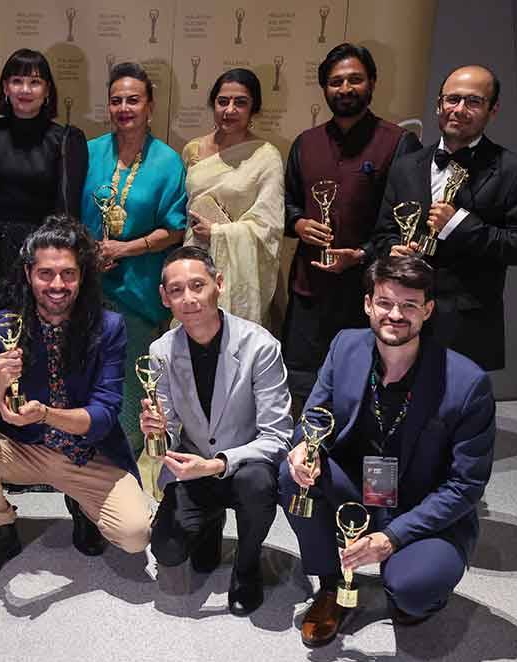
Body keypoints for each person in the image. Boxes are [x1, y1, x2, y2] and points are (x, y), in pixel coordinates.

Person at [279, 255, 494, 647]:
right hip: (357, 489)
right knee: (289, 474)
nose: (395, 314)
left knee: (412, 590)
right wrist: (302, 448)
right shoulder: (345, 345)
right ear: (368, 304)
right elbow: (315, 415)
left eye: (409, 305)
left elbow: (466, 486)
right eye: (384, 302)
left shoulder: (468, 383)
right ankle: (331, 587)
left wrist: (392, 537)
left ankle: (408, 588)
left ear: (427, 310)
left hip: (424, 507)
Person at [0, 216, 151, 582]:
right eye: (46, 273)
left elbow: (105, 415)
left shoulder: (108, 327)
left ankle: (80, 504)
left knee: (135, 536)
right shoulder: (2, 326)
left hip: (87, 452)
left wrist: (45, 414)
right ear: (29, 274)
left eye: (68, 274)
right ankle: (4, 530)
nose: (57, 285)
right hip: (26, 448)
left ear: (82, 276)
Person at [144, 247, 292, 615]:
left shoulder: (260, 346)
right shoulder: (161, 351)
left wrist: (216, 465)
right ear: (165, 298)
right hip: (192, 466)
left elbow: (278, 436)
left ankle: (246, 565)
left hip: (245, 466)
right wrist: (157, 432)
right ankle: (209, 525)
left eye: (198, 285)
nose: (189, 299)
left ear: (218, 285)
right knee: (167, 549)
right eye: (176, 290)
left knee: (258, 485)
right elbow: (171, 434)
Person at [372, 65, 517, 371]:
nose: (460, 109)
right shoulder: (405, 166)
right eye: (452, 99)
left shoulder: (515, 170)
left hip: (467, 324)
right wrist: (392, 249)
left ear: (493, 111)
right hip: (401, 315)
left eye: (474, 102)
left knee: (455, 414)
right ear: (439, 104)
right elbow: (384, 232)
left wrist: (460, 226)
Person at [282, 43, 421, 412]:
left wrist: (361, 254)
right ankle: (303, 455)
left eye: (354, 80)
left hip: (371, 292)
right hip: (309, 288)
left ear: (372, 82)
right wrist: (297, 222)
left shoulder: (399, 143)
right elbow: (286, 202)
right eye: (335, 82)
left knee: (364, 382)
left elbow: (404, 220)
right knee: (302, 381)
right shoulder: (306, 143)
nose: (345, 89)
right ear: (324, 88)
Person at [80, 61, 187, 459]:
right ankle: (81, 467)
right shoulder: (89, 153)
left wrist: (124, 249)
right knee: (84, 381)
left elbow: (174, 230)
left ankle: (120, 467)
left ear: (150, 106)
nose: (124, 108)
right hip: (85, 291)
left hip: (137, 293)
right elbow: (68, 212)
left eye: (133, 100)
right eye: (116, 100)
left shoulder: (167, 161)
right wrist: (89, 249)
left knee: (130, 388)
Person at [0, 48, 88, 339]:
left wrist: (51, 266)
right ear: (5, 87)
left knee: (35, 341)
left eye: (34, 82)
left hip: (38, 258)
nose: (25, 89)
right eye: (17, 81)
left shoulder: (65, 139)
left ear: (47, 91)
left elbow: (66, 214)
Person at [181, 68, 284, 327]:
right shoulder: (193, 150)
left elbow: (269, 225)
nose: (229, 110)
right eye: (222, 101)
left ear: (254, 110)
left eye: (240, 103)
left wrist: (216, 233)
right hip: (193, 258)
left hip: (239, 271)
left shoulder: (266, 156)